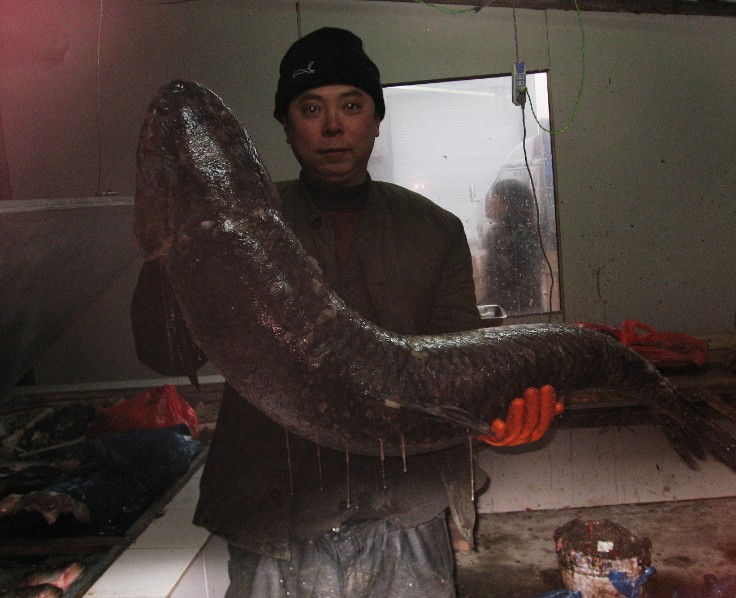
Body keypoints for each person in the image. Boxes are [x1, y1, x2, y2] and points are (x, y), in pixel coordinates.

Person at [132, 27, 560, 598]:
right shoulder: (231, 227)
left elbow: (459, 371)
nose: (332, 126)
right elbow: (165, 354)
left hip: (407, 516)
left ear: (376, 120)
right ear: (286, 126)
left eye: (351, 106)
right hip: (275, 522)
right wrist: (168, 242)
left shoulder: (435, 229)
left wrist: (501, 420)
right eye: (311, 108)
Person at [482, 178, 545, 314]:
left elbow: (521, 291)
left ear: (506, 204)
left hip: (522, 315)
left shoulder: (524, 241)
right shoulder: (496, 235)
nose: (488, 201)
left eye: (494, 196)